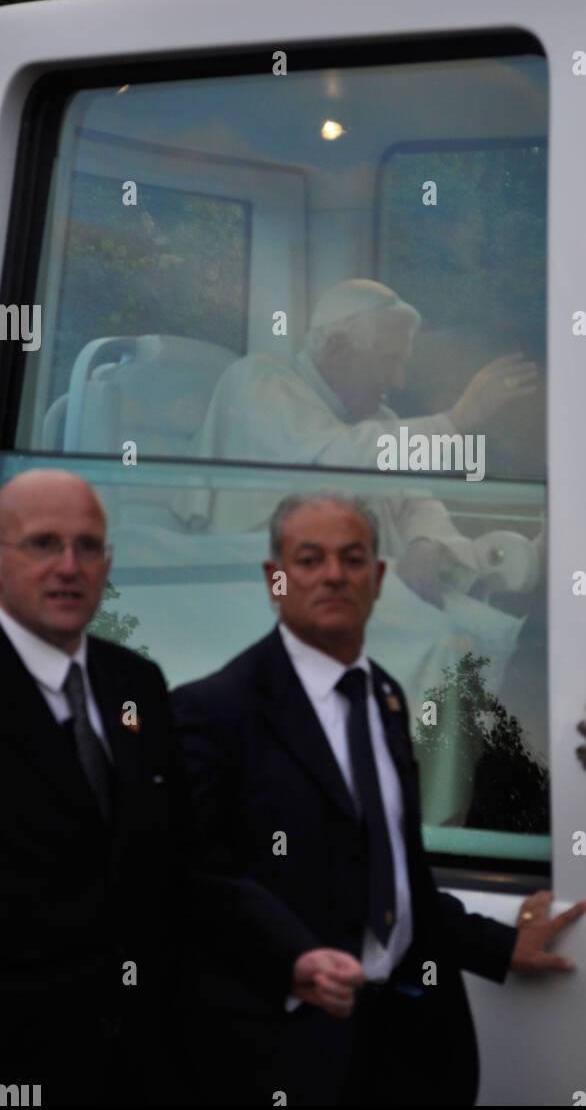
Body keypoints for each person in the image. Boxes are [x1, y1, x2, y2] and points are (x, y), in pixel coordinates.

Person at [171, 490, 586, 1106]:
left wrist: (499, 945)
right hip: (284, 1055)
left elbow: (395, 876)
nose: (333, 575)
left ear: (379, 577)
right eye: (309, 559)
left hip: (403, 1044)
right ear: (275, 579)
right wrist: (292, 959)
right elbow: (191, 882)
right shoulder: (213, 712)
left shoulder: (387, 698)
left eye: (353, 558)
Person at [172, 278, 541, 824]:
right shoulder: (258, 382)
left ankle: (453, 805)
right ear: (336, 349)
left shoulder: (380, 420)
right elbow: (328, 462)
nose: (398, 380)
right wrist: (457, 421)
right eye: (389, 362)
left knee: (491, 635)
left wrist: (425, 543)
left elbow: (419, 501)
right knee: (447, 641)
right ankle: (425, 820)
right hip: (260, 582)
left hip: (364, 585)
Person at [0, 469, 191, 1105]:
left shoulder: (136, 683)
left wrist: (291, 957)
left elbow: (180, 863)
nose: (69, 566)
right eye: (42, 544)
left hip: (139, 1063)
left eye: (88, 547)